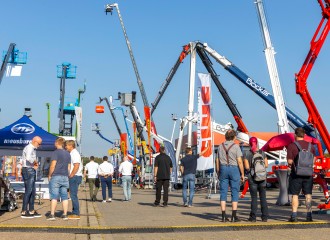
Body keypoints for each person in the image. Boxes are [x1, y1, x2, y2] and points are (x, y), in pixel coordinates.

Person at [287, 127, 316, 222]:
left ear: (295, 134)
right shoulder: (310, 146)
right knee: (308, 195)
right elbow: (314, 159)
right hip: (308, 174)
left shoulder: (291, 146)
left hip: (296, 174)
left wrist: (291, 165)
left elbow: (290, 161)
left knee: (295, 195)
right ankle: (309, 215)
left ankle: (294, 216)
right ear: (304, 135)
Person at [216, 129, 244, 222]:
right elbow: (239, 161)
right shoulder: (236, 147)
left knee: (223, 192)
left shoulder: (220, 146)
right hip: (234, 169)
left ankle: (223, 216)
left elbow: (217, 161)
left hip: (223, 168)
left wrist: (218, 171)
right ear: (234, 137)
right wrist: (242, 174)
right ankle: (233, 216)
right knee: (234, 192)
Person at [243, 137, 269, 222]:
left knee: (254, 198)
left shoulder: (247, 153)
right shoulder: (262, 153)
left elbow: (246, 167)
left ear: (250, 143)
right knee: (263, 198)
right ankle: (264, 217)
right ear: (257, 143)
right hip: (262, 177)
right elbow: (266, 165)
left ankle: (253, 217)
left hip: (252, 178)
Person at [47, 137, 71, 220]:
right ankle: (65, 214)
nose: (54, 144)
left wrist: (50, 175)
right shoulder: (68, 154)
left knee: (54, 196)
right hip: (65, 176)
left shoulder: (55, 153)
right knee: (65, 196)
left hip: (56, 176)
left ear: (57, 143)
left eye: (55, 142)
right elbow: (69, 167)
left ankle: (52, 214)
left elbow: (53, 165)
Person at [21, 136, 42, 218]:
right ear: (35, 141)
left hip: (30, 169)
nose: (39, 145)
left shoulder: (31, 148)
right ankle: (24, 211)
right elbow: (28, 158)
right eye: (39, 143)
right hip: (28, 169)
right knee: (29, 191)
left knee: (33, 191)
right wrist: (36, 162)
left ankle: (31, 210)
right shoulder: (30, 147)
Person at [65, 140, 83, 220]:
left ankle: (76, 213)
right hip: (75, 175)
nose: (65, 147)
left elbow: (76, 165)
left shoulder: (74, 154)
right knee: (73, 194)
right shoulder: (73, 153)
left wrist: (71, 174)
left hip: (75, 176)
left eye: (66, 145)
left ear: (70, 145)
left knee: (73, 194)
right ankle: (74, 211)